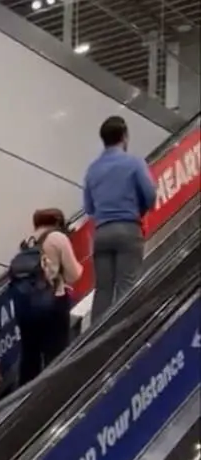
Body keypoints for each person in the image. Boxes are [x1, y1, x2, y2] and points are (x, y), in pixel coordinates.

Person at [83, 114, 156, 322]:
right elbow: (150, 194)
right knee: (127, 286)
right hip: (127, 229)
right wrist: (139, 211)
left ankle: (95, 340)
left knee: (103, 289)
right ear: (124, 137)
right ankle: (122, 338)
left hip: (102, 233)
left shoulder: (92, 169)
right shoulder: (133, 162)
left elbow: (89, 207)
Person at [17, 209, 83, 385]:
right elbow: (73, 274)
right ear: (57, 222)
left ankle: (26, 395)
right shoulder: (57, 238)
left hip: (26, 305)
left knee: (30, 354)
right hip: (53, 302)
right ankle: (55, 390)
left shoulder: (27, 242)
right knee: (56, 352)